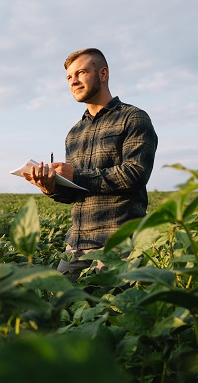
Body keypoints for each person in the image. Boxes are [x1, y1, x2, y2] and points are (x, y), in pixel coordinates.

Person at [23, 48, 158, 279]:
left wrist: (75, 174)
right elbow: (75, 194)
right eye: (69, 77)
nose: (73, 81)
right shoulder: (74, 133)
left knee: (112, 311)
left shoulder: (133, 118)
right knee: (61, 307)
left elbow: (135, 173)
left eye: (81, 72)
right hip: (76, 244)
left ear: (103, 74)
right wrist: (50, 186)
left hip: (119, 243)